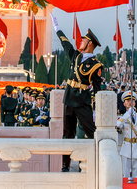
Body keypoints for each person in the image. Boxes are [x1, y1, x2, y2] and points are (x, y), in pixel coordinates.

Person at [51, 14, 104, 172]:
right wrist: (57, 28)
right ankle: (65, 166)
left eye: (83, 40)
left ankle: (100, 161)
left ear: (89, 43)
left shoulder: (96, 65)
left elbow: (98, 88)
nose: (80, 42)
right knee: (67, 134)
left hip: (82, 101)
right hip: (69, 99)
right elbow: (65, 43)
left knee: (91, 131)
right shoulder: (76, 56)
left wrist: (97, 109)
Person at [117, 91, 137, 179]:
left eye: (132, 101)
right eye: (127, 101)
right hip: (127, 147)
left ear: (135, 103)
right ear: (124, 104)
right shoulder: (123, 117)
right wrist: (127, 114)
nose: (130, 103)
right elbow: (118, 125)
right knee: (126, 175)